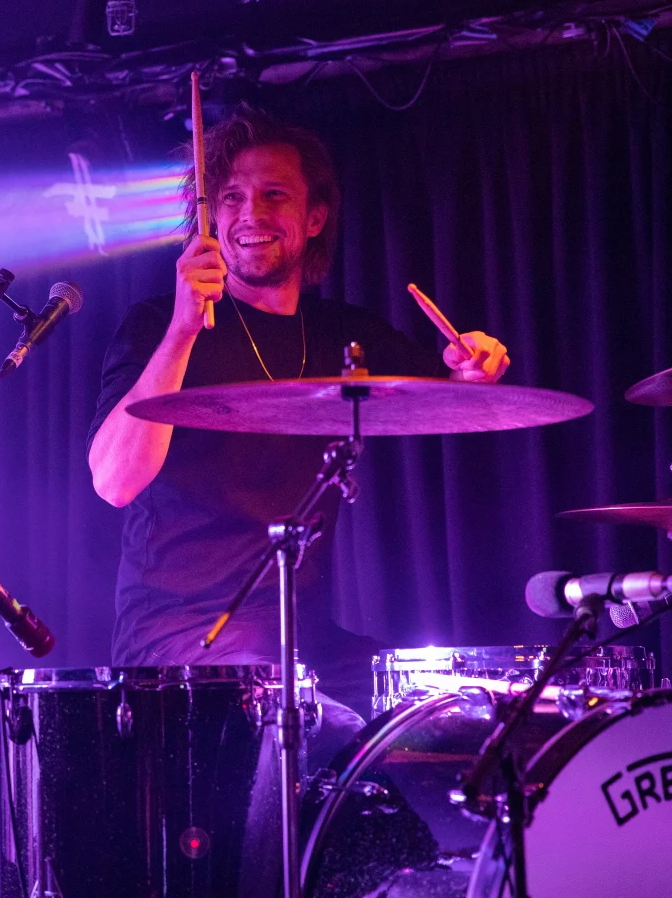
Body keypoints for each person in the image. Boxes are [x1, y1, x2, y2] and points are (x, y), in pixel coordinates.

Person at [86, 106, 509, 743]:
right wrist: (182, 330)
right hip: (181, 634)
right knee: (325, 729)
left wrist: (474, 368)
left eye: (274, 195)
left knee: (448, 717)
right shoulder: (154, 325)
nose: (250, 214)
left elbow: (451, 396)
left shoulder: (345, 335)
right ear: (208, 217)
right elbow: (114, 482)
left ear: (314, 218)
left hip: (303, 634)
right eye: (231, 197)